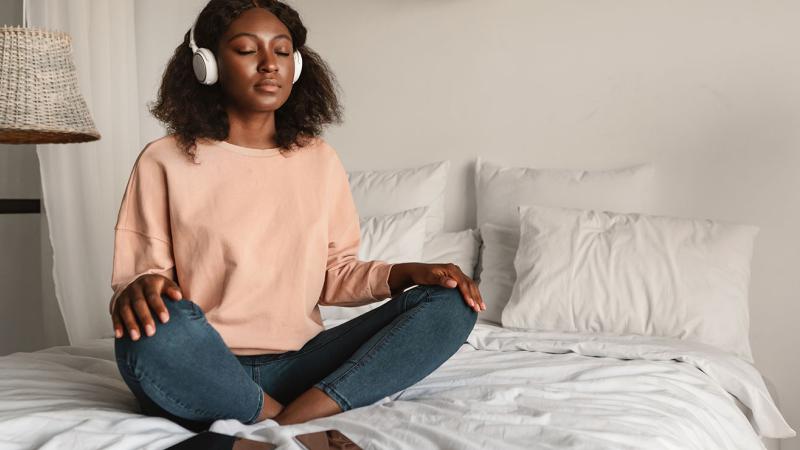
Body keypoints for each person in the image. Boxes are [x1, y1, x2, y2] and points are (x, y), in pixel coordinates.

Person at [109, 0, 485, 433]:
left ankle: (294, 413)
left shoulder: (318, 159)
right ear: (207, 65)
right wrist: (144, 287)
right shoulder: (165, 160)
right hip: (203, 360)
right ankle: (277, 416)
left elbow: (333, 274)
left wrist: (405, 273)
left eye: (282, 51)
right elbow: (140, 282)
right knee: (154, 333)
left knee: (453, 301)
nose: (269, 65)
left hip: (300, 365)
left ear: (298, 65)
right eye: (248, 50)